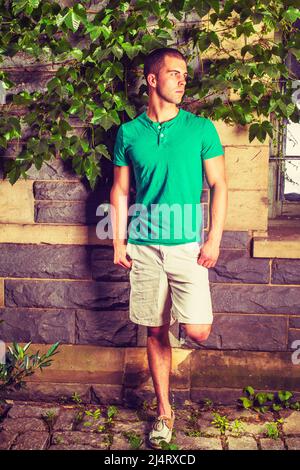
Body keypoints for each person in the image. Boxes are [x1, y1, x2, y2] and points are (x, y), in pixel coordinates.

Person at [110, 47, 228, 449]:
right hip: (143, 248)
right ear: (152, 79)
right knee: (155, 330)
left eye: (184, 74)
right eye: (174, 73)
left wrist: (213, 237)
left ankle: (180, 307)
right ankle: (164, 413)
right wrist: (118, 239)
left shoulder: (200, 129)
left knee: (197, 330)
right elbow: (121, 189)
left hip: (187, 248)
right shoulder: (129, 133)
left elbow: (219, 185)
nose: (182, 79)